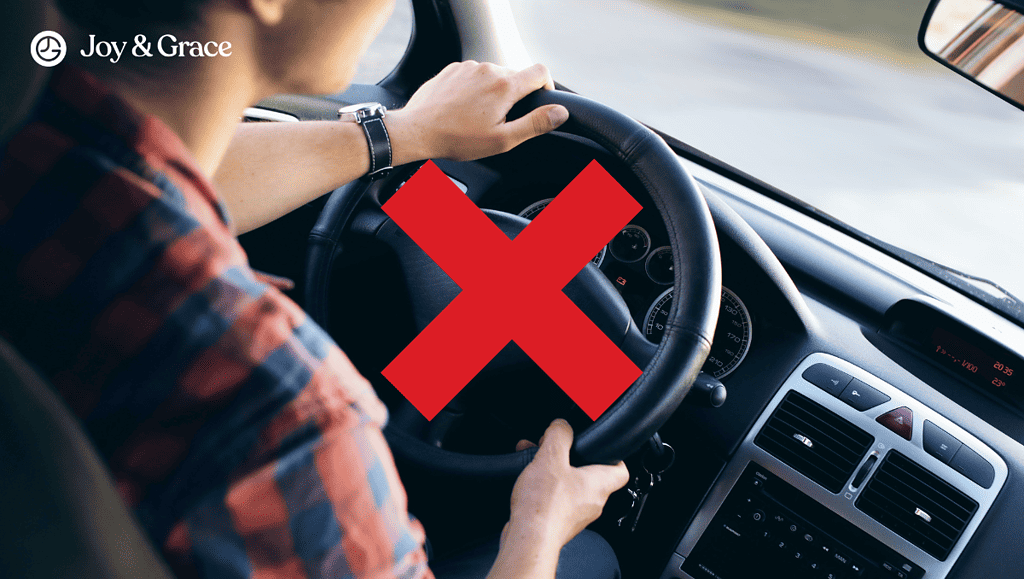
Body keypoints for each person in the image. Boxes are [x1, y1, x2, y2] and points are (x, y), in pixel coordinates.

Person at [0, 0, 630, 578]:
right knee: (588, 557)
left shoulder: (33, 147)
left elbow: (164, 181)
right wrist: (539, 526)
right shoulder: (283, 416)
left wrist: (405, 132)